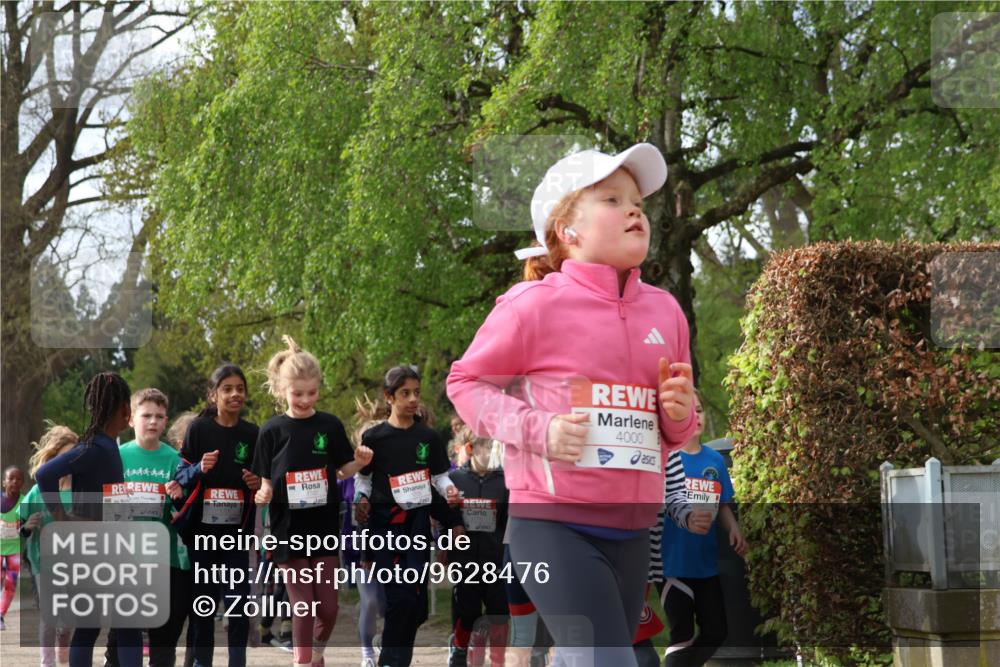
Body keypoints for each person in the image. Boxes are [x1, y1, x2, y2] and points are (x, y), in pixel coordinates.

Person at [447, 144, 697, 666]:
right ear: (567, 231)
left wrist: (680, 415)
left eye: (637, 203)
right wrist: (539, 430)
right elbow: (465, 383)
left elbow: (674, 430)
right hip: (553, 525)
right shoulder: (533, 305)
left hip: (634, 531)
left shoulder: (666, 311)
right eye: (612, 200)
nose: (634, 211)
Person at [252, 336, 372, 667]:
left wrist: (359, 462)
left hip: (323, 528)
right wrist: (263, 494)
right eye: (297, 393)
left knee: (328, 610)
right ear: (282, 390)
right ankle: (302, 662)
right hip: (287, 530)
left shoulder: (329, 425)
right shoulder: (271, 431)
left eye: (312, 392)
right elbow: (264, 485)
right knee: (303, 608)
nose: (305, 400)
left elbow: (342, 470)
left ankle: (316, 655)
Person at [354, 365, 463, 667]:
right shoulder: (373, 437)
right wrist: (362, 499)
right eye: (405, 393)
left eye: (416, 393)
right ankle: (391, 661)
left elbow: (439, 478)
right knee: (400, 598)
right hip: (384, 527)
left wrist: (450, 491)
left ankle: (394, 653)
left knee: (415, 605)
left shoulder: (428, 438)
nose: (413, 399)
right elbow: (363, 480)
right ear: (389, 397)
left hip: (417, 527)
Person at [35, 372, 144, 667]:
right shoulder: (94, 448)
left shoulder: (103, 445)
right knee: (126, 625)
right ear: (124, 409)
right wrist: (62, 517)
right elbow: (44, 474)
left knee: (91, 626)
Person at [175, 364, 261, 667]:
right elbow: (180, 476)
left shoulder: (252, 433)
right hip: (202, 537)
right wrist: (199, 468)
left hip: (236, 538)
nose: (235, 394)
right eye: (227, 389)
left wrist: (257, 482)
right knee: (204, 607)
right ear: (213, 395)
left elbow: (263, 481)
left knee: (238, 606)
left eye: (240, 388)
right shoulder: (199, 429)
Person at [104, 388, 192, 667]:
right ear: (131, 419)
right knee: (120, 639)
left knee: (164, 640)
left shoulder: (175, 461)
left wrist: (178, 499)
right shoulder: (115, 457)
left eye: (159, 416)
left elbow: (185, 512)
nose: (153, 421)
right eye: (146, 415)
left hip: (165, 561)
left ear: (166, 421)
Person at [660, 395, 748, 666]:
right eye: (688, 411)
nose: (695, 416)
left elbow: (722, 504)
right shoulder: (666, 459)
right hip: (672, 564)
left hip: (705, 564)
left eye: (699, 410)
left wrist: (733, 528)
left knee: (716, 631)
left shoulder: (715, 460)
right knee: (682, 636)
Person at [448, 439, 509, 667]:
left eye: (496, 448)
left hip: (496, 559)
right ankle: (459, 653)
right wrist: (447, 540)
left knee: (499, 613)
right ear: (471, 449)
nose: (493, 453)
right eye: (488, 448)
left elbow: (510, 521)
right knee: (468, 613)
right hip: (465, 560)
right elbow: (444, 515)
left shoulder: (505, 481)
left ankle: (497, 661)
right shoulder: (455, 479)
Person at [20, 426, 77, 665]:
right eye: (64, 456)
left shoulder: (82, 491)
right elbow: (20, 526)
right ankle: (47, 661)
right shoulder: (37, 491)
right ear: (53, 459)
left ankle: (63, 647)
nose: (68, 462)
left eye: (73, 456)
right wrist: (28, 525)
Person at [1, 464, 25, 631]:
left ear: (22, 483)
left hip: (15, 551)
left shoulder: (24, 501)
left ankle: (0, 615)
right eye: (11, 478)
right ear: (4, 482)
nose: (15, 482)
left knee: (10, 584)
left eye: (19, 479)